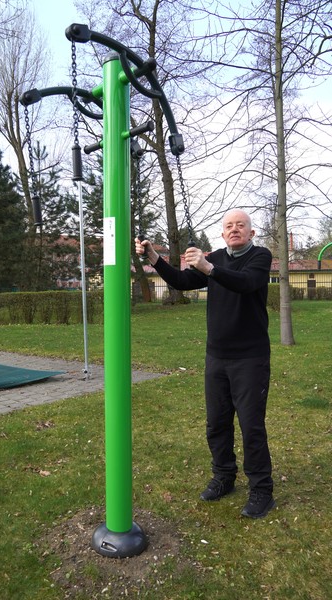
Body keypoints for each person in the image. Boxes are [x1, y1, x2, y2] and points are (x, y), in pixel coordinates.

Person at [135, 209, 275, 519]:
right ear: (222, 234)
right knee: (216, 423)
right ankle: (224, 476)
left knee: (251, 426)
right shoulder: (216, 258)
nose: (234, 229)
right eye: (229, 226)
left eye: (241, 225)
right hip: (216, 357)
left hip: (250, 358)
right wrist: (155, 258)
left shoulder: (260, 257)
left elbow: (247, 282)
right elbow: (182, 281)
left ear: (251, 233)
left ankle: (262, 490)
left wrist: (209, 268)